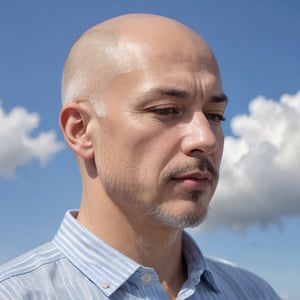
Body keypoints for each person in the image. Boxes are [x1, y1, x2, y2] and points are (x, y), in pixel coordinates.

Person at [0, 14, 281, 299]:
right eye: (166, 110)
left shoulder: (255, 292)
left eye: (215, 115)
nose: (206, 138)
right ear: (81, 130)